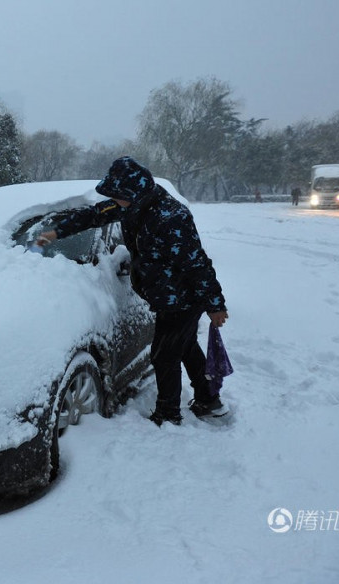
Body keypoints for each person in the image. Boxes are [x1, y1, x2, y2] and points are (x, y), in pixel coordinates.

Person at [36, 156, 229, 427]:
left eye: (118, 196)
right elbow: (93, 215)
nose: (115, 201)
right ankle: (210, 400)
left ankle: (168, 414)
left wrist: (215, 304)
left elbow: (197, 264)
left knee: (163, 356)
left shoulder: (172, 217)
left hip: (183, 298)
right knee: (184, 348)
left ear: (135, 192)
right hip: (165, 296)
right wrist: (55, 232)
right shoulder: (131, 206)